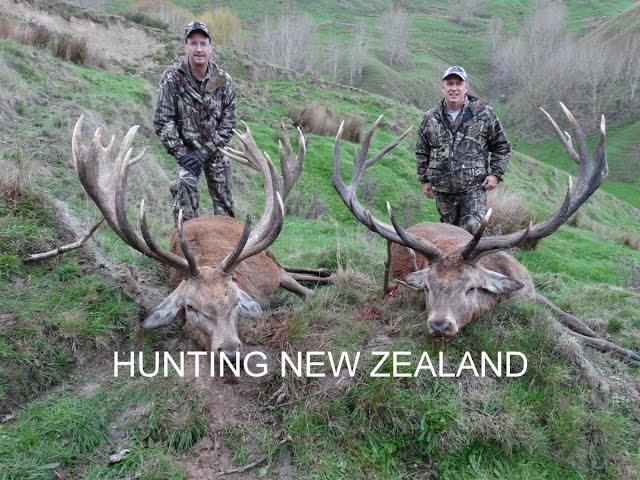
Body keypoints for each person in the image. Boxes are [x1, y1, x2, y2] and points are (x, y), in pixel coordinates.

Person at [154, 21, 236, 224]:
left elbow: (228, 124)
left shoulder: (224, 81)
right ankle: (187, 249)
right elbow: (164, 121)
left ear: (210, 48)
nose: (198, 49)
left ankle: (228, 251)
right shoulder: (172, 79)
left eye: (203, 44)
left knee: (225, 209)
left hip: (216, 152)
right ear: (186, 47)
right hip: (187, 153)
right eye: (194, 43)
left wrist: (205, 152)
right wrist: (182, 154)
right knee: (184, 201)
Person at [416, 66, 510, 234]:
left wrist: (495, 174)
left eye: (459, 84)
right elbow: (423, 150)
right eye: (449, 83)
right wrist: (424, 179)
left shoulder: (485, 114)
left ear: (466, 87)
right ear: (442, 87)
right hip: (443, 192)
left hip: (473, 189)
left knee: (473, 231)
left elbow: (501, 146)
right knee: (450, 236)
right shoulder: (430, 118)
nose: (454, 88)